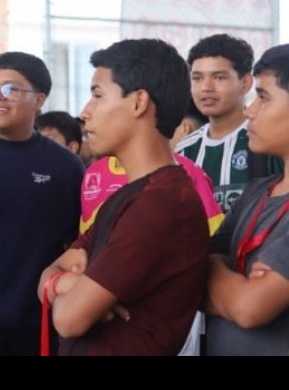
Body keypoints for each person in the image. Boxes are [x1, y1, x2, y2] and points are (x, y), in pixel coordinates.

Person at [37, 38, 210, 356]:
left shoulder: (161, 204)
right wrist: (64, 284)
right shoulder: (131, 196)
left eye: (97, 95)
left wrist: (68, 290)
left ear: (139, 102)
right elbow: (48, 276)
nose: (85, 113)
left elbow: (68, 319)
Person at [0, 52, 83, 356]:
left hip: (36, 322)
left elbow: (76, 242)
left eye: (10, 89)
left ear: (39, 100)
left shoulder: (65, 166)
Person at [203, 43, 289, 355]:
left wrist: (217, 272)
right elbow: (197, 268)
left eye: (263, 97)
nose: (249, 110)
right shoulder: (255, 192)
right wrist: (232, 281)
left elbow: (250, 308)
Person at [176, 33, 282, 214]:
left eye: (219, 77)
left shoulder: (269, 144)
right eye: (197, 78)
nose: (206, 87)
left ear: (246, 83)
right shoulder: (183, 150)